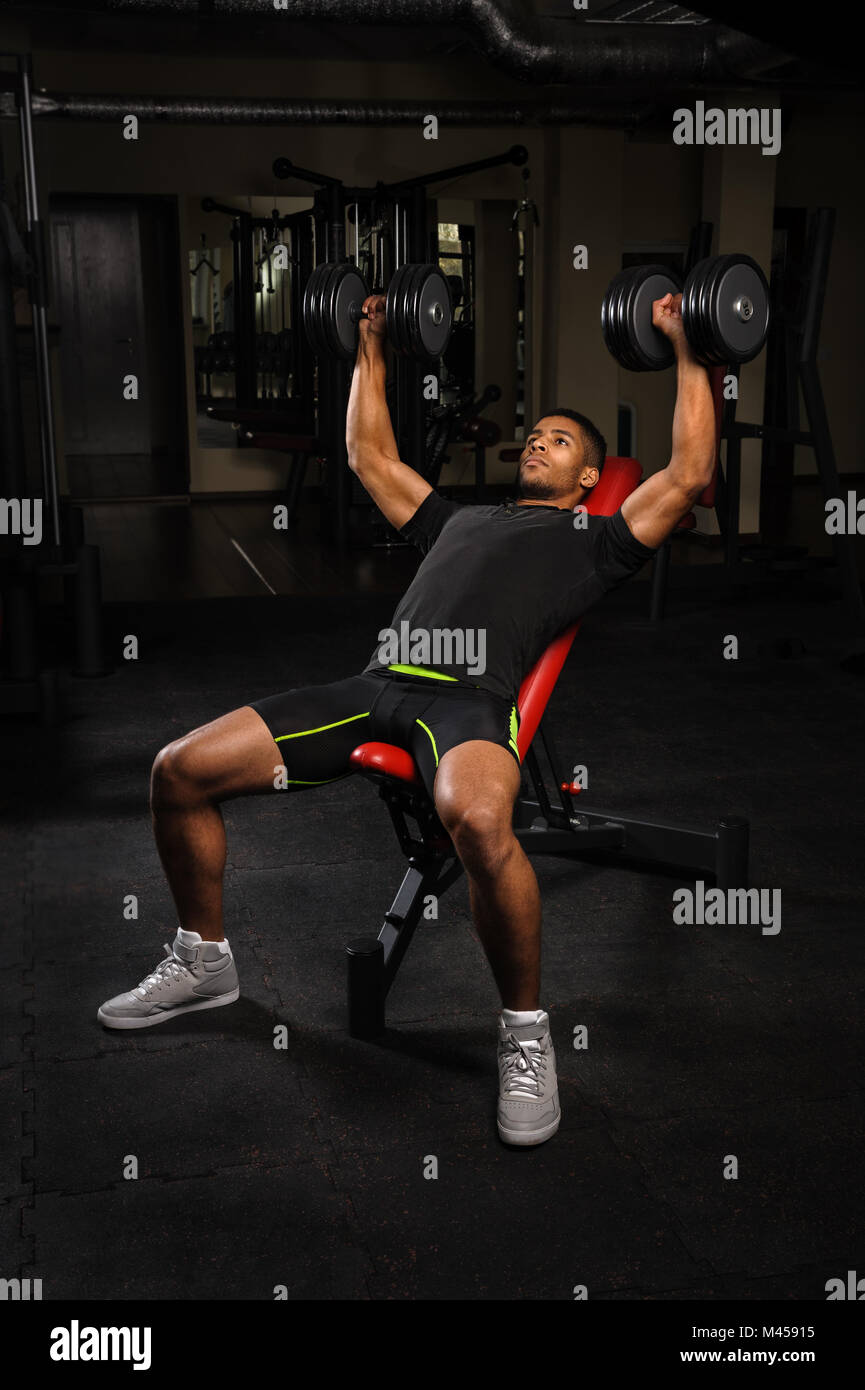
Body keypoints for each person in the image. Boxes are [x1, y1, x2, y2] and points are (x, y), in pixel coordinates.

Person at [98, 287, 716, 1147]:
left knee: (475, 819)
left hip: (467, 705)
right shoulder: (457, 520)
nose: (539, 440)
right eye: (535, 431)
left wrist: (690, 347)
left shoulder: (596, 538)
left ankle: (525, 1037)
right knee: (178, 769)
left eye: (561, 439)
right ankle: (205, 963)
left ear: (587, 478)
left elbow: (688, 476)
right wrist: (372, 344)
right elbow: (366, 453)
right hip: (372, 687)